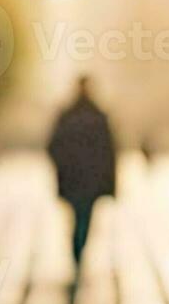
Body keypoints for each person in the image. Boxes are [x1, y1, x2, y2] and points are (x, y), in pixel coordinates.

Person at [47, 76, 117, 265]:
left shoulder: (69, 115)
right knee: (84, 215)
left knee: (78, 214)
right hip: (87, 179)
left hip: (74, 178)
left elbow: (53, 146)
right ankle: (79, 244)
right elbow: (110, 151)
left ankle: (77, 245)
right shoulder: (97, 115)